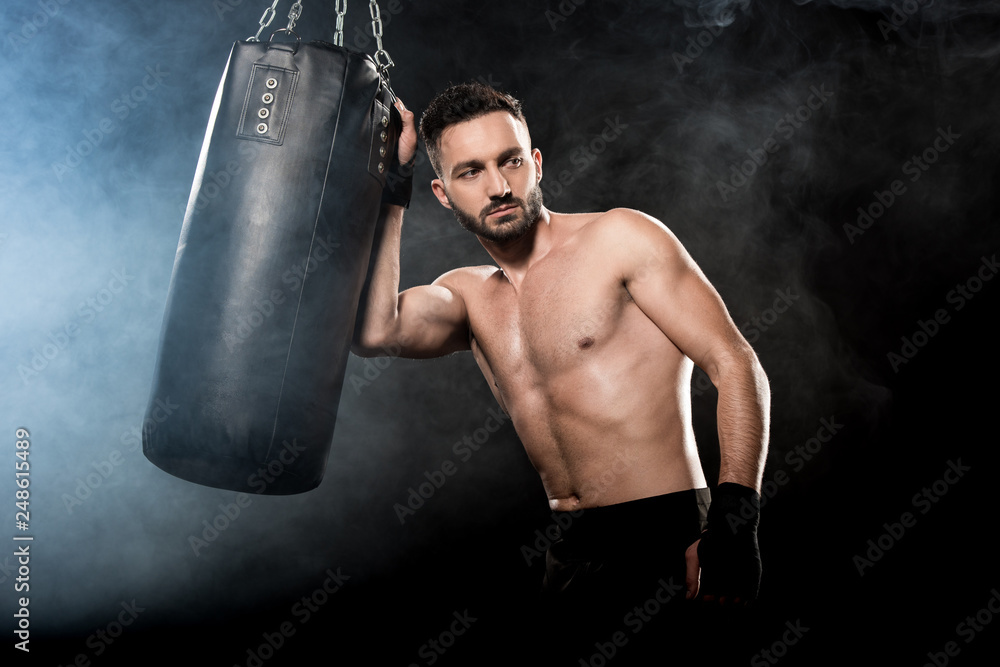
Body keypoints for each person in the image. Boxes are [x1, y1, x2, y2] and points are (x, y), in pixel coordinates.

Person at [353, 82, 771, 664]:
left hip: (669, 539)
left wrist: (736, 519)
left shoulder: (619, 237)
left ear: (536, 162)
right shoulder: (467, 295)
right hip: (571, 555)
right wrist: (390, 189)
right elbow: (376, 331)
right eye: (470, 172)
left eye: (511, 161)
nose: (498, 187)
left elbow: (734, 362)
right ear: (442, 194)